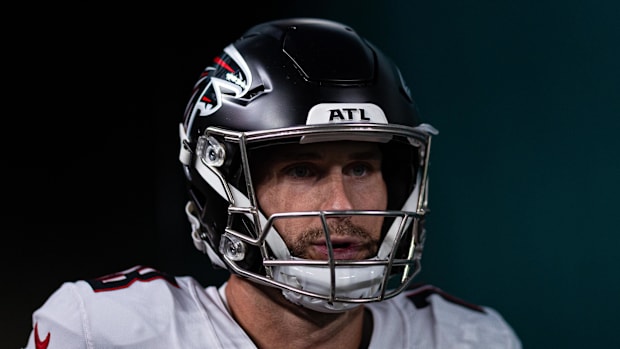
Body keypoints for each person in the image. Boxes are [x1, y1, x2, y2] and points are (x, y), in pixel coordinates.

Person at [25, 18, 522, 348]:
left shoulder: (469, 339)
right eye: (302, 170)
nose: (342, 204)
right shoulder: (103, 332)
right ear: (224, 186)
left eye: (362, 168)